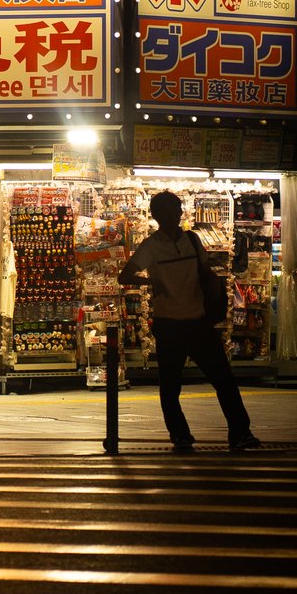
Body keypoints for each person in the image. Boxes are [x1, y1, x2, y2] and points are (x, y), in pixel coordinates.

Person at [118, 191, 260, 452]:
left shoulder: (192, 240)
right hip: (168, 323)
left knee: (224, 380)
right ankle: (180, 435)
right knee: (171, 386)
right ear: (157, 216)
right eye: (168, 212)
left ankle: (241, 432)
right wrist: (152, 281)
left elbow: (205, 272)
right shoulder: (151, 246)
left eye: (176, 210)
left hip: (198, 321)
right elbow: (125, 276)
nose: (174, 216)